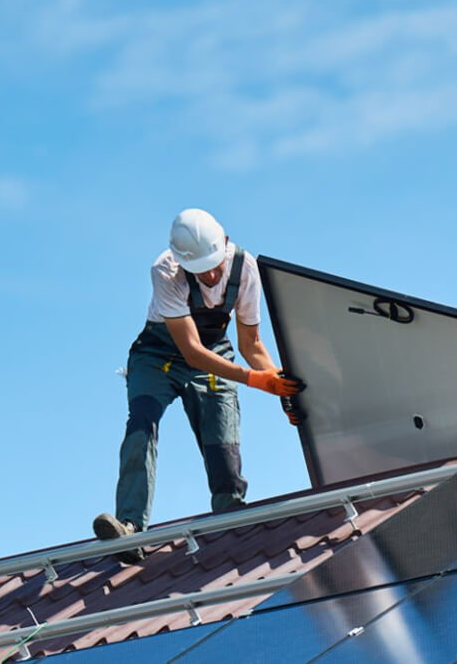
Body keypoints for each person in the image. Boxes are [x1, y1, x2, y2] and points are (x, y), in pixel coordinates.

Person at [94, 208, 302, 561]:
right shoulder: (166, 270)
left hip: (215, 353)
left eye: (213, 264)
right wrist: (255, 380)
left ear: (224, 243)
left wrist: (281, 392)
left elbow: (251, 344)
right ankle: (130, 528)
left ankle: (229, 520)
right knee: (141, 425)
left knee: (222, 444)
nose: (208, 274)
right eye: (199, 269)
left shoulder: (244, 268)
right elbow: (190, 351)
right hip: (158, 356)